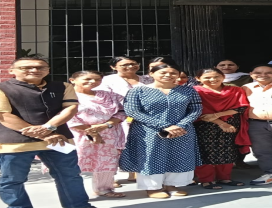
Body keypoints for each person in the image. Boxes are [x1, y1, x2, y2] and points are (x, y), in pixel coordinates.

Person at [0, 57, 92, 208]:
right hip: (15, 143)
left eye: (41, 67)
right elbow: (3, 115)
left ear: (48, 70)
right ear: (11, 70)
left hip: (59, 141)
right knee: (12, 180)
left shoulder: (63, 86)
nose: (35, 70)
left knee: (70, 176)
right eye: (27, 67)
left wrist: (49, 127)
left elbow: (70, 108)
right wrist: (46, 133)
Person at [119, 63, 203, 199]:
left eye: (173, 73)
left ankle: (172, 185)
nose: (168, 75)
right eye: (163, 72)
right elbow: (132, 111)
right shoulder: (137, 91)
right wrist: (164, 125)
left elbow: (195, 109)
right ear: (151, 74)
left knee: (179, 155)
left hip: (181, 130)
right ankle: (153, 187)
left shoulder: (188, 91)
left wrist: (181, 125)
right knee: (150, 158)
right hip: (148, 131)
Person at [66, 70, 127, 198]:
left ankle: (104, 189)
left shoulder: (109, 95)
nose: (93, 82)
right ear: (72, 80)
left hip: (109, 133)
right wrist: (91, 131)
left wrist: (105, 125)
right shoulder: (66, 96)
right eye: (87, 79)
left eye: (97, 79)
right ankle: (72, 193)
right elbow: (66, 117)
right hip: (78, 134)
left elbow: (122, 112)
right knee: (73, 163)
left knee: (107, 161)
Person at [95, 56, 153, 183]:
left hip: (145, 117)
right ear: (113, 67)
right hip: (118, 117)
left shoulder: (148, 79)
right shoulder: (107, 80)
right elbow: (103, 99)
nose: (130, 66)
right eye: (125, 65)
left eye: (133, 63)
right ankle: (110, 177)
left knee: (140, 144)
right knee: (117, 146)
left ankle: (134, 172)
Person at [193, 68, 251, 189]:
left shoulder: (235, 90)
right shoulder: (194, 91)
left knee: (228, 151)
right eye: (207, 77)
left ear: (223, 77)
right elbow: (196, 111)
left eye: (216, 76)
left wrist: (217, 115)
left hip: (231, 123)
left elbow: (241, 107)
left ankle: (224, 178)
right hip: (204, 125)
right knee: (204, 152)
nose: (213, 79)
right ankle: (206, 180)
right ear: (198, 79)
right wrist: (220, 122)